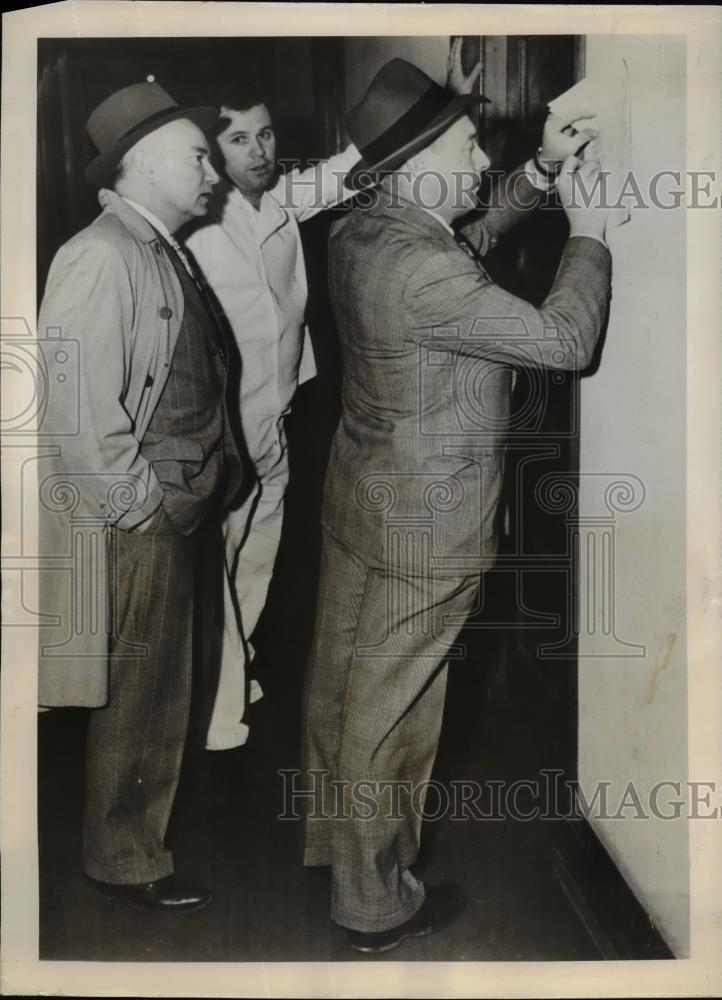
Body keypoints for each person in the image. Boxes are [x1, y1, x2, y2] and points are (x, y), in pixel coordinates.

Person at [301, 57, 611, 953]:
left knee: (342, 688)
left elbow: (458, 242)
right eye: (468, 142)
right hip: (425, 525)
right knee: (394, 711)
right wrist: (587, 235)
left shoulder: (367, 229)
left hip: (365, 499)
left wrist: (543, 173)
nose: (482, 155)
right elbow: (562, 342)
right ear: (418, 162)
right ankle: (375, 905)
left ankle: (337, 853)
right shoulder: (423, 270)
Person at [37, 80, 243, 913]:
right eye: (200, 156)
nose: (216, 175)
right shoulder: (103, 252)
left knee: (163, 692)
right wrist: (141, 505)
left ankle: (134, 844)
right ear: (146, 162)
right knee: (142, 695)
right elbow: (76, 406)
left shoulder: (153, 243)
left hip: (179, 509)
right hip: (148, 519)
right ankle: (123, 860)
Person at [183, 80, 362, 751]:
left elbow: (350, 167)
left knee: (256, 561)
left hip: (275, 419)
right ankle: (216, 712)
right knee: (217, 565)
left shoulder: (279, 202)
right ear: (210, 148)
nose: (258, 151)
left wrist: (429, 102)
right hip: (222, 429)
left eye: (265, 134)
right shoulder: (197, 223)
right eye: (238, 139)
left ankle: (230, 675)